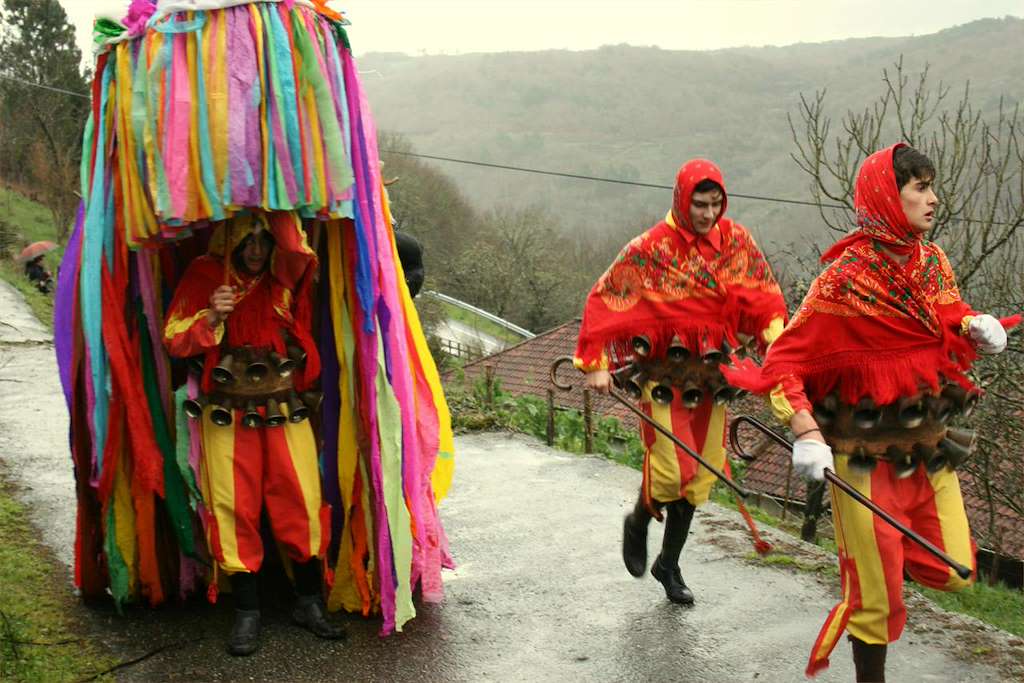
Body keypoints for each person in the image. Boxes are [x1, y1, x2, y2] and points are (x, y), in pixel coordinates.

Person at [729, 144, 1017, 681]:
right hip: (860, 460)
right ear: (889, 196)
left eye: (932, 186)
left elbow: (949, 317)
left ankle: (877, 560)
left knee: (955, 567)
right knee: (875, 603)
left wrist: (977, 326)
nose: (933, 199)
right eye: (920, 188)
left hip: (927, 448)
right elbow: (783, 360)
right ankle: (869, 601)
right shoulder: (843, 280)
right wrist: (807, 430)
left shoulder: (932, 261)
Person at [574, 159, 788, 605]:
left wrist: (779, 348)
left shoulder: (737, 242)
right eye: (699, 203)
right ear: (681, 198)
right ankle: (637, 521)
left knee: (701, 473)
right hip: (664, 374)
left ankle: (668, 564)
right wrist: (593, 361)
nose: (708, 214)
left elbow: (764, 297)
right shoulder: (650, 248)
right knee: (672, 470)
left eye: (715, 204)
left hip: (714, 374)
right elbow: (606, 295)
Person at [163, 211, 344, 656]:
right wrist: (211, 315)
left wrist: (271, 191)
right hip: (226, 408)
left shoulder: (283, 271)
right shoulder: (206, 272)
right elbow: (174, 337)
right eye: (248, 241)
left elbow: (298, 250)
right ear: (231, 242)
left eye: (264, 241)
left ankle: (307, 602)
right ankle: (247, 611)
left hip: (284, 404)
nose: (257, 251)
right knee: (233, 502)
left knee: (299, 496)